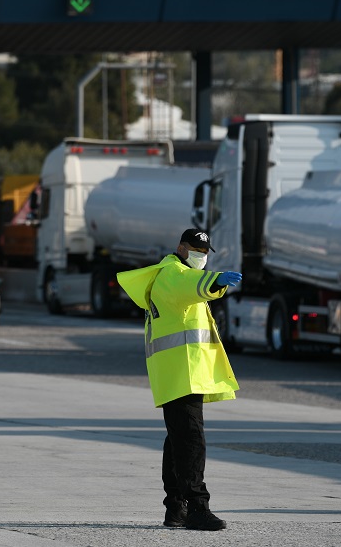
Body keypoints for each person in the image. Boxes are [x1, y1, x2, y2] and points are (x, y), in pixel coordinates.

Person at [117, 228, 241, 532]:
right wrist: (215, 280)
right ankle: (198, 507)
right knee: (191, 441)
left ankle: (176, 508)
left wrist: (211, 281)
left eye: (204, 253)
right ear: (181, 248)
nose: (201, 257)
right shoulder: (172, 273)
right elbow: (190, 285)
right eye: (196, 251)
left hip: (180, 372)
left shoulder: (174, 274)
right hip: (180, 372)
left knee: (178, 441)